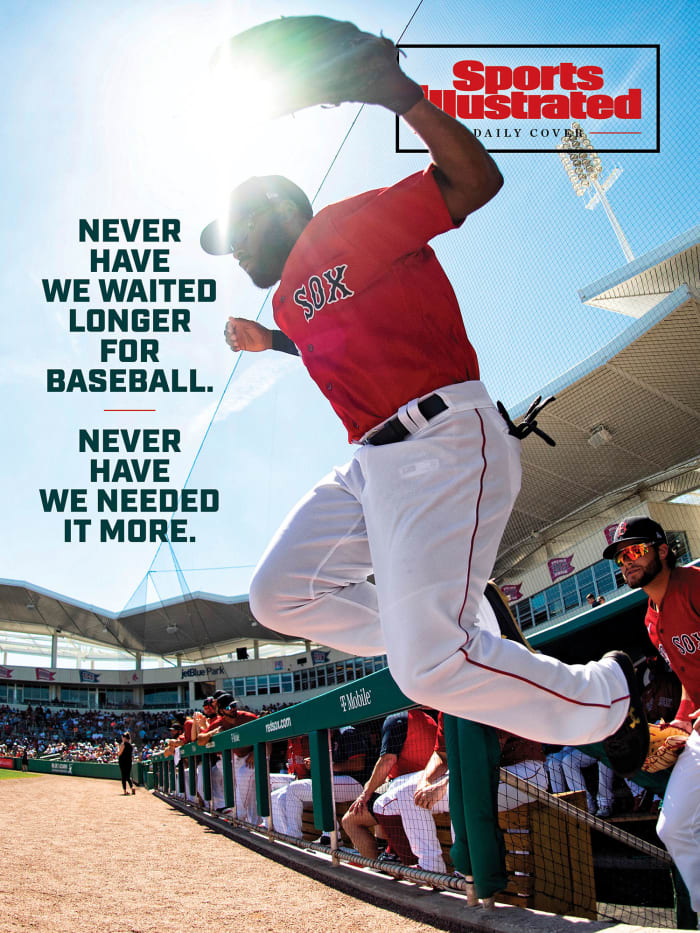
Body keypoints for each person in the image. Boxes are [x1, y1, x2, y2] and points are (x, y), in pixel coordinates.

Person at [201, 37, 648, 776]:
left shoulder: (346, 224)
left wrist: (400, 95)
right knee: (278, 594)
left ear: (281, 210)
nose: (236, 254)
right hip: (371, 466)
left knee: (425, 668)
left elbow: (475, 182)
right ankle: (453, 620)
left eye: (240, 233)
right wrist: (273, 340)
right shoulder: (287, 297)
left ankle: (610, 694)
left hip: (445, 440)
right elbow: (334, 341)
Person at [602, 516, 699, 909]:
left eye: (636, 551)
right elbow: (690, 681)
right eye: (620, 557)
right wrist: (679, 721)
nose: (627, 561)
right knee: (673, 827)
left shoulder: (695, 585)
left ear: (663, 550)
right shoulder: (651, 618)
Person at [342, 709, 436, 859]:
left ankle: (377, 870)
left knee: (349, 821)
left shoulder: (397, 717)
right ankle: (388, 852)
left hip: (408, 789)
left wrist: (365, 794)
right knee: (381, 795)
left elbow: (387, 760)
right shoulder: (429, 718)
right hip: (428, 784)